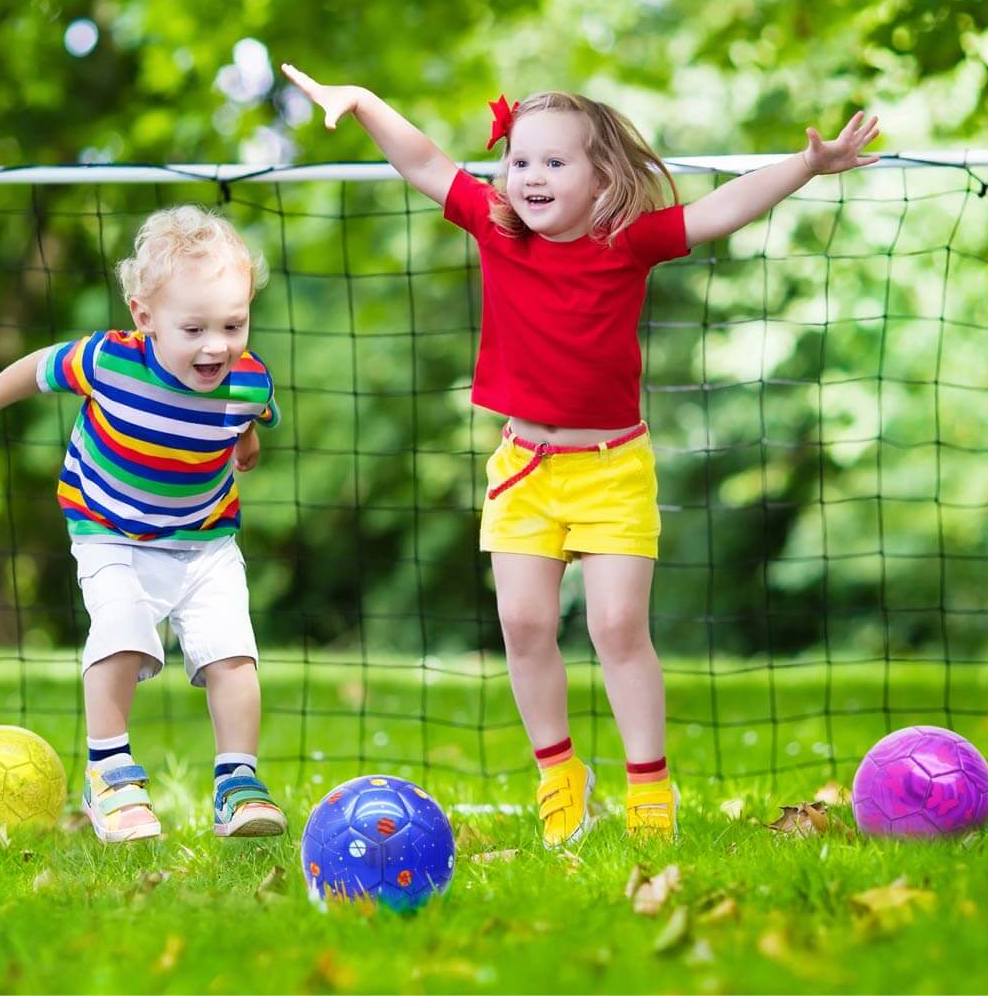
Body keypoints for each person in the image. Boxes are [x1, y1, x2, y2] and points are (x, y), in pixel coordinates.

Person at [282, 63, 880, 848]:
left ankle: (649, 788)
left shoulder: (627, 242)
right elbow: (423, 160)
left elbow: (719, 210)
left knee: (618, 626)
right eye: (520, 159)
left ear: (601, 178)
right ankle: (559, 774)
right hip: (524, 469)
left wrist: (806, 163)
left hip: (612, 469)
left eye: (554, 161)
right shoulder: (495, 226)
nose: (530, 175)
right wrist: (362, 99)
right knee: (523, 622)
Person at [0, 205, 288, 842]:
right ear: (144, 317)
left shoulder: (250, 380)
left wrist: (244, 444)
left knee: (233, 653)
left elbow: (249, 419)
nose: (216, 344)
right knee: (122, 632)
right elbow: (34, 370)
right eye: (194, 328)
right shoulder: (108, 362)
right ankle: (110, 775)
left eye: (233, 324)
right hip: (109, 530)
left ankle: (238, 783)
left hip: (204, 539)